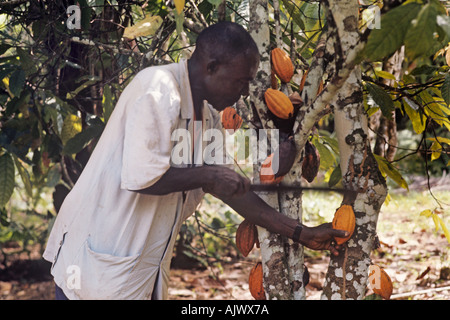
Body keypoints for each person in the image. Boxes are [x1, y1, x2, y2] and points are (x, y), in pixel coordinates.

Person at [43, 21, 348, 300]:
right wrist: (209, 176)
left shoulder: (209, 117)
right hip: (95, 268)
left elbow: (231, 190)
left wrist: (301, 232)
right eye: (241, 82)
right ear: (211, 67)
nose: (243, 93)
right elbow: (141, 177)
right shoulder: (158, 89)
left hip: (136, 273)